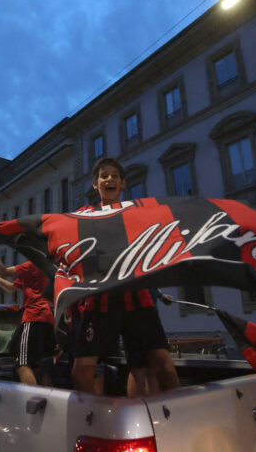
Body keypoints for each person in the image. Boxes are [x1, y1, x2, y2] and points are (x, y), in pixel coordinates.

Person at [72, 157, 181, 396]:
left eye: (114, 176)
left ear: (122, 183)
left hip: (137, 296)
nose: (108, 179)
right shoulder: (84, 215)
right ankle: (87, 420)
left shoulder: (137, 212)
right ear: (95, 184)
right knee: (83, 368)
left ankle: (177, 419)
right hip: (100, 298)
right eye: (103, 176)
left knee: (162, 364)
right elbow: (59, 233)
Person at [0, 238, 55, 386]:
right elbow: (11, 288)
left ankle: (31, 401)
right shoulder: (48, 267)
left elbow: (3, 271)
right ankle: (47, 404)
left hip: (34, 316)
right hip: (48, 318)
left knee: (22, 364)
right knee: (42, 368)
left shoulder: (31, 265)